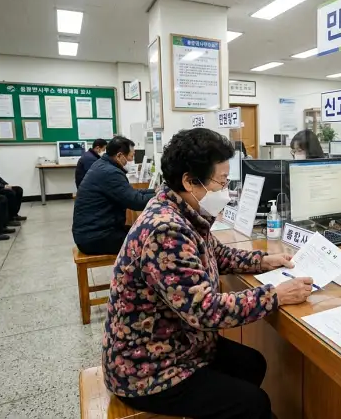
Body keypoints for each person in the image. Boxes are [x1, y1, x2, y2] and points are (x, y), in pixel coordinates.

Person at [104, 128, 313, 418]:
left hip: (177, 342)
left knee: (251, 363)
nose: (226, 190)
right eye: (221, 181)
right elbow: (205, 311)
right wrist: (275, 295)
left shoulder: (179, 209)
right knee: (253, 403)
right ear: (189, 181)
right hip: (146, 368)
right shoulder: (166, 230)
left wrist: (263, 261)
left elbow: (217, 254)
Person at [72, 136, 154, 255]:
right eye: (131, 156)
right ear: (120, 156)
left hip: (93, 232)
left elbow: (131, 192)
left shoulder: (103, 165)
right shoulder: (110, 172)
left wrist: (156, 191)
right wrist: (162, 195)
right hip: (95, 238)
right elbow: (136, 201)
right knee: (151, 242)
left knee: (142, 231)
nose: (132, 161)